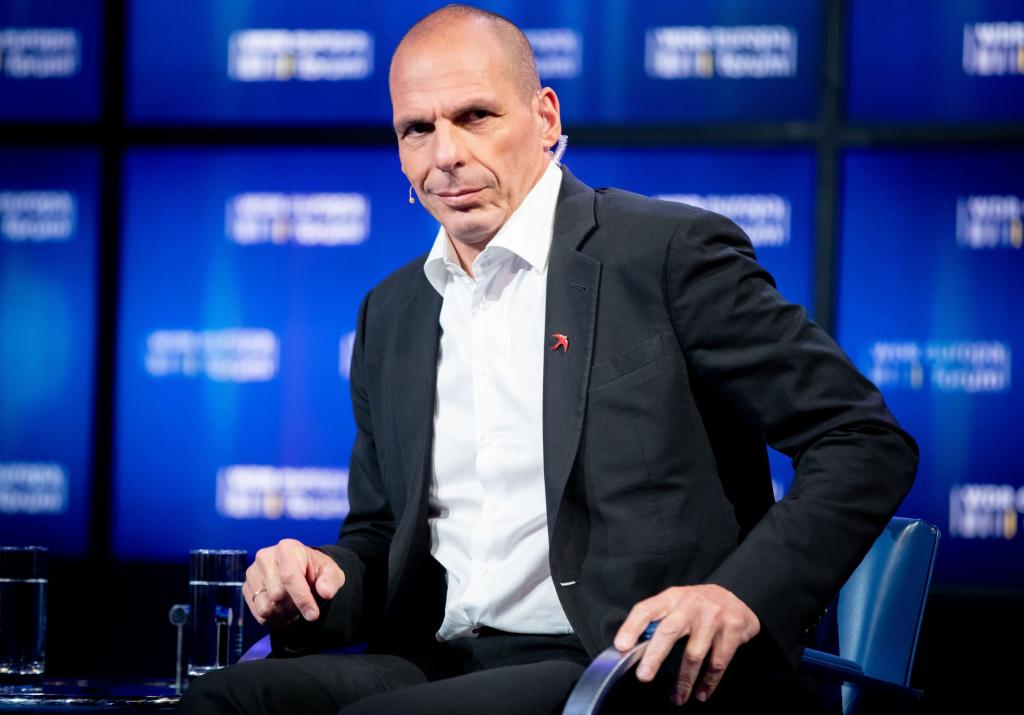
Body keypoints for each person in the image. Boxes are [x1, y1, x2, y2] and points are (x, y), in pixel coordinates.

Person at [180, 5, 917, 714]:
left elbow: (861, 440)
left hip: (624, 663)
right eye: (417, 129)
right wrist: (321, 576)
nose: (445, 155)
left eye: (475, 116)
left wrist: (738, 597)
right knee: (223, 699)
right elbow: (379, 538)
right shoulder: (393, 311)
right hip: (437, 659)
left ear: (545, 118)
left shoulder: (665, 255)